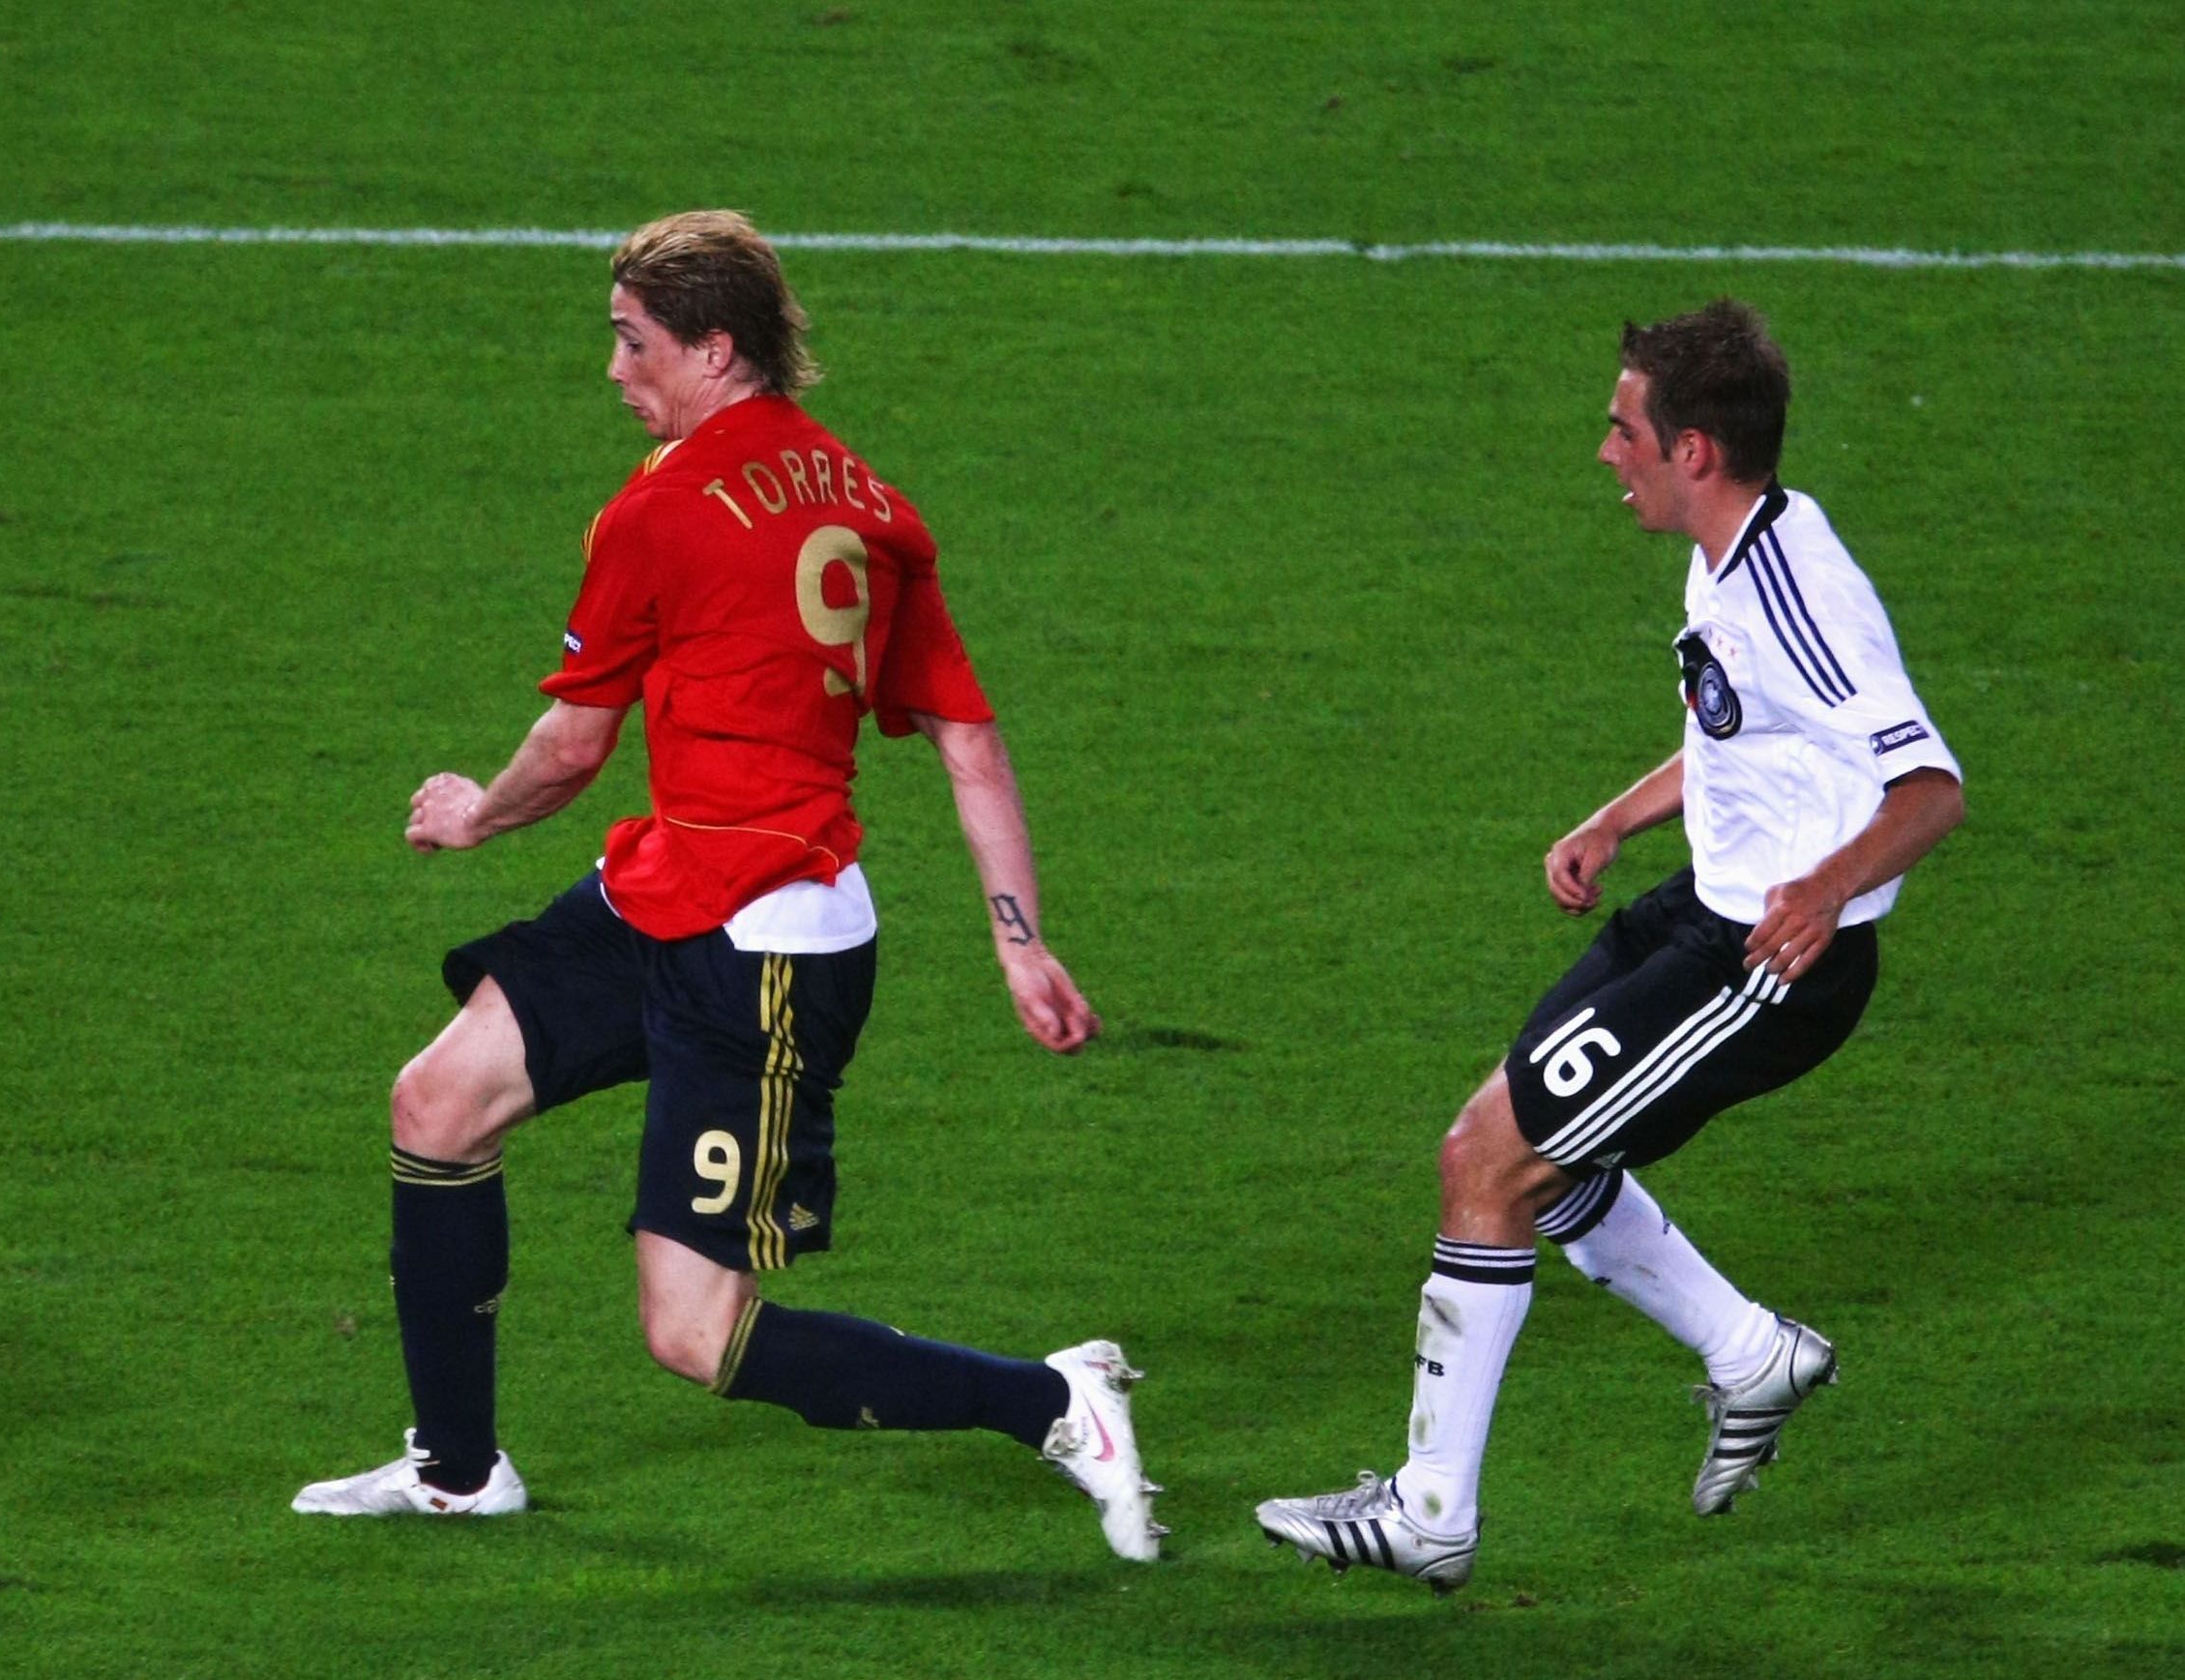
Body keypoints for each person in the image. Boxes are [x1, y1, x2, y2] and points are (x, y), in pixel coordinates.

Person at [292, 211, 1161, 1561]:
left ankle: (1052, 1400)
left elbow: (575, 746)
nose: (615, 370)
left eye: (633, 342)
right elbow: (969, 737)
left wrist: (473, 816)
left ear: (712, 348)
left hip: (764, 950)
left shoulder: (661, 508)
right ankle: (458, 1470)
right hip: (663, 889)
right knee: (439, 1099)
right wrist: (1020, 942)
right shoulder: (870, 507)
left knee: (693, 1333)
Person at [1255, 301, 1965, 1590]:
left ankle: (1430, 1512)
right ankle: (1750, 1352)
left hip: (1764, 964)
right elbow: (1742, 733)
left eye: (1621, 426)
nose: (1605, 451)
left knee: (1490, 1162)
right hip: (1701, 910)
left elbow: (1930, 787)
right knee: (1510, 1149)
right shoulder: (1729, 553)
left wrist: (1820, 893)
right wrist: (1618, 818)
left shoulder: (1801, 590)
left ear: (1692, 448)